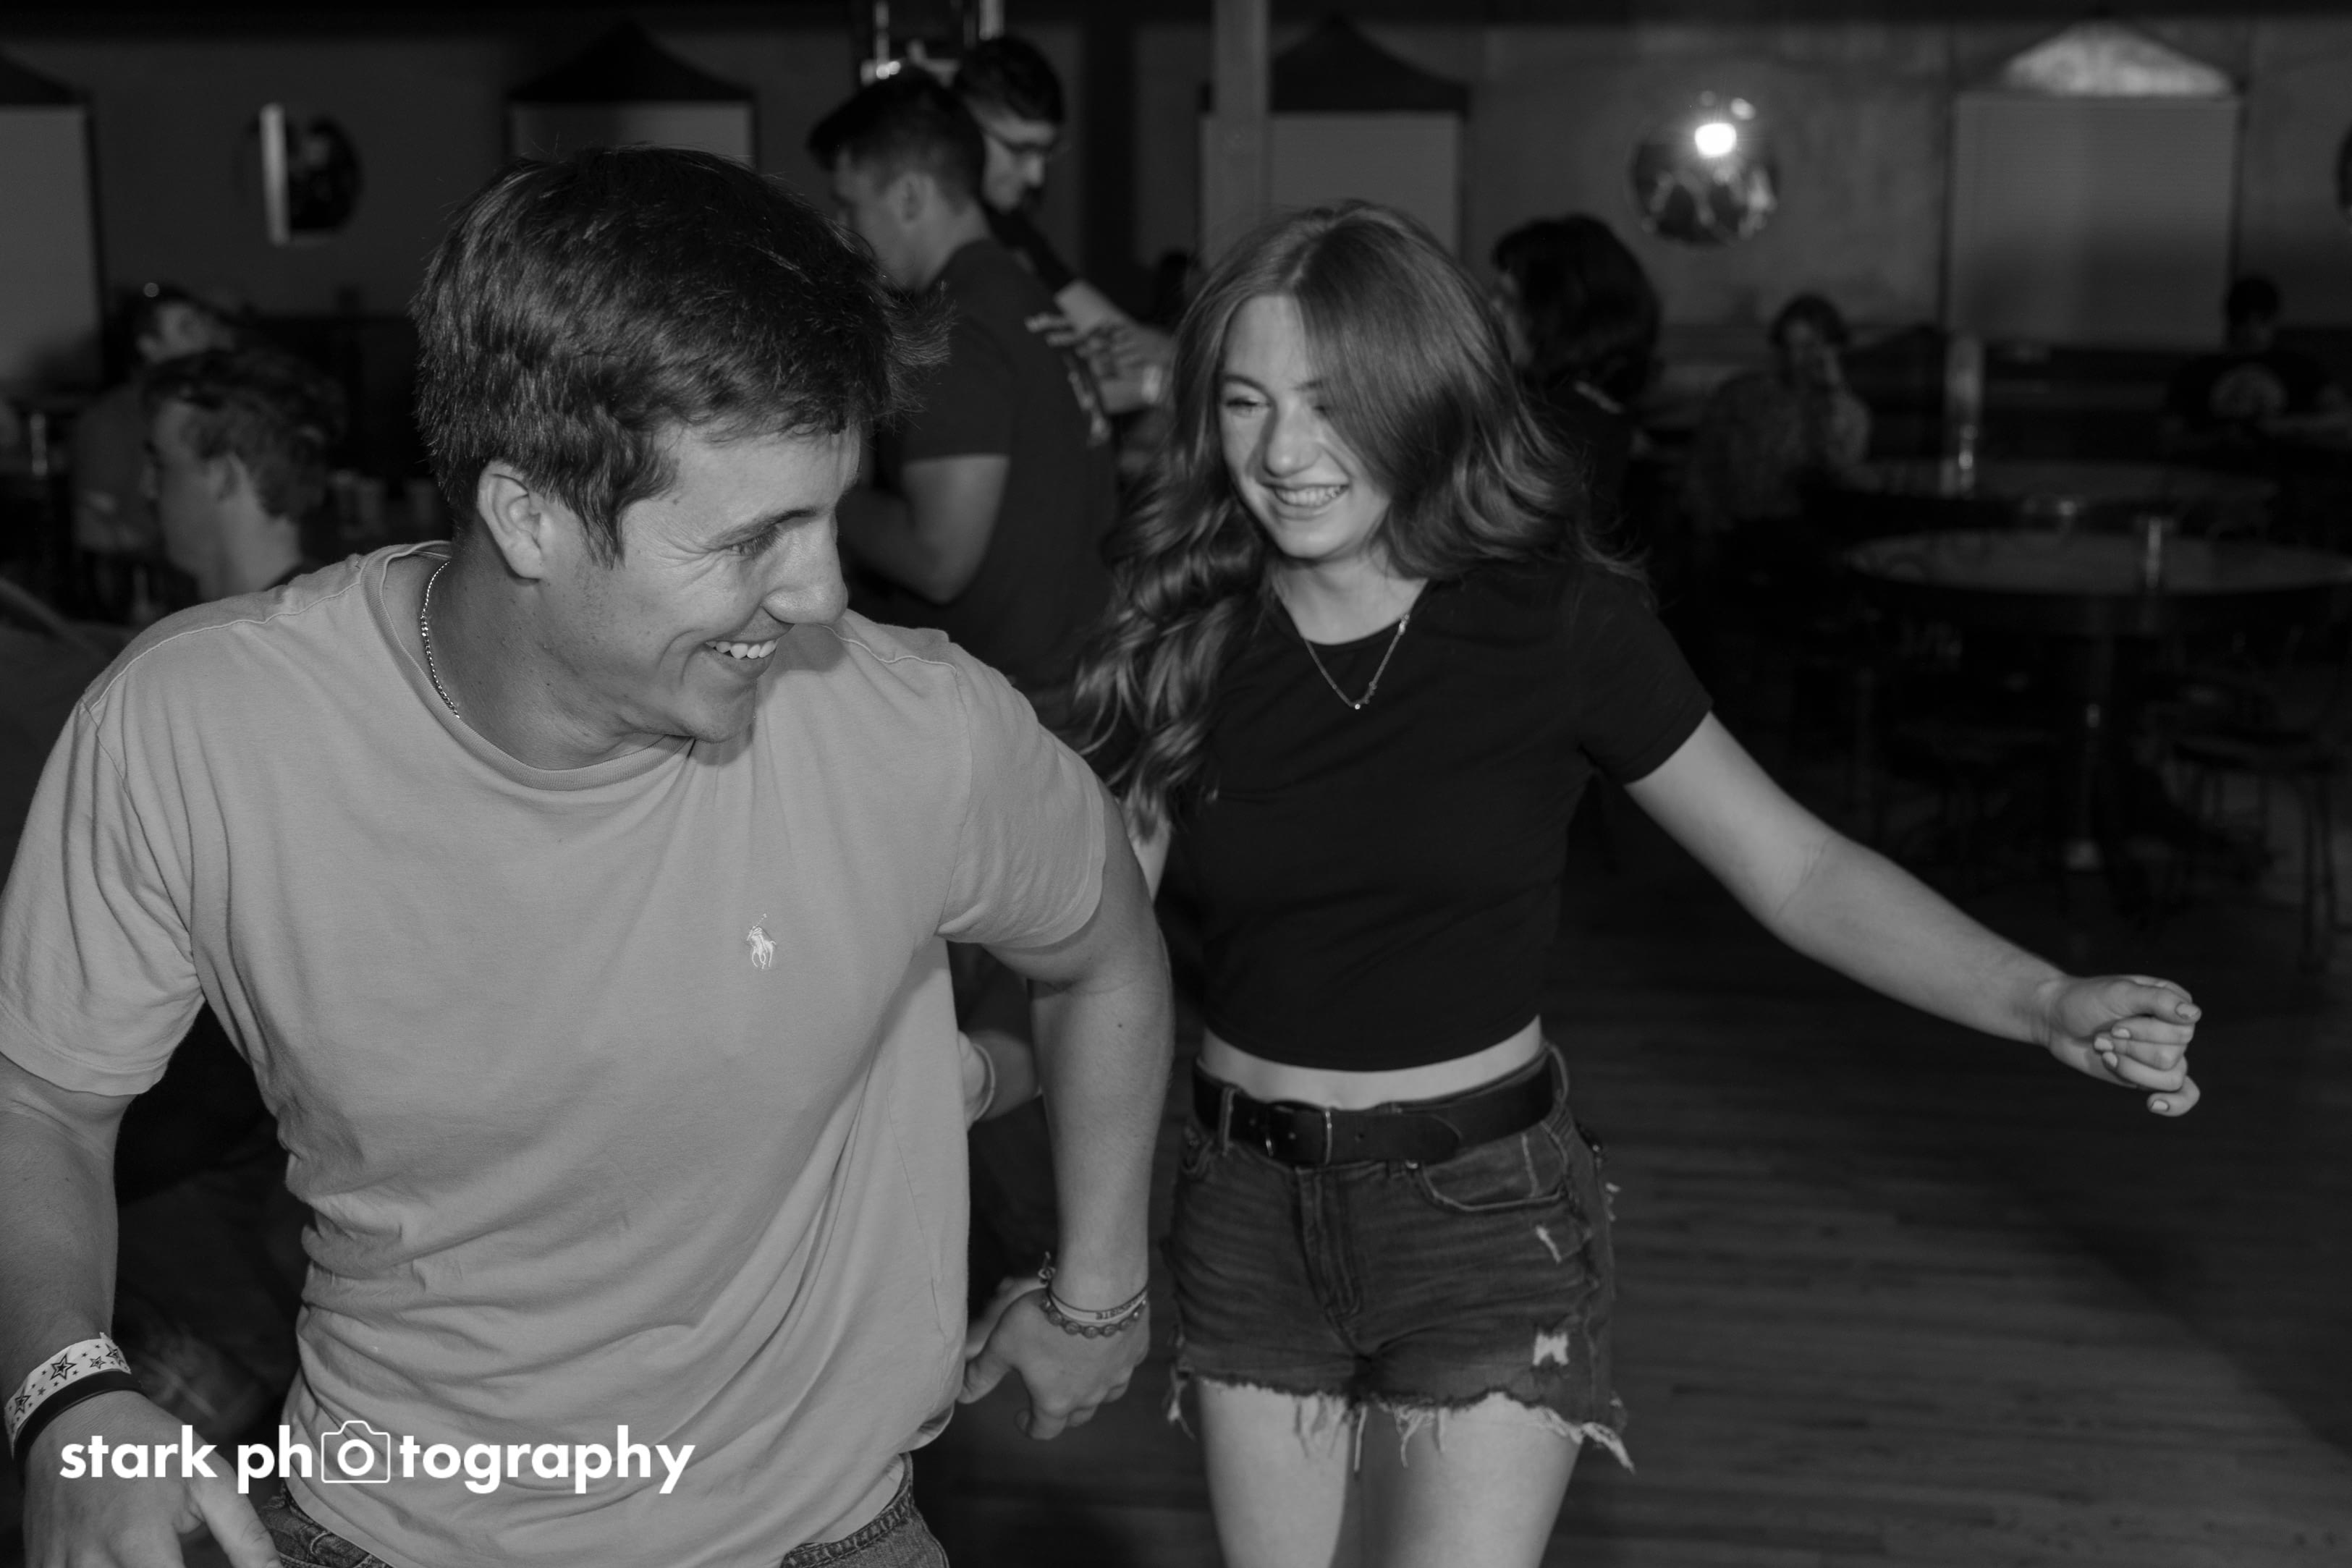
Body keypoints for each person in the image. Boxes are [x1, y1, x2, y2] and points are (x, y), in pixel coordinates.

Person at [1, 145, 1171, 1568]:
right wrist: (68, 1394)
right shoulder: (197, 729)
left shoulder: (911, 729)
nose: (819, 593)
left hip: (819, 1536)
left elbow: (1105, 948)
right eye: (755, 538)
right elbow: (40, 1099)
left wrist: (1100, 1293)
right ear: (529, 515)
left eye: (828, 513)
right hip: (384, 1531)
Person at [1070, 202, 2199, 1568]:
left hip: (1480, 1213)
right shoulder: (1179, 638)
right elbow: (1094, 956)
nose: (1283, 452)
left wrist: (2041, 998)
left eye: (1332, 400)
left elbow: (1797, 867)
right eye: (1245, 402)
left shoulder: (1556, 623)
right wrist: (1021, 1156)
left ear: (1426, 398)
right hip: (1244, 1207)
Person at [811, 71, 1117, 729]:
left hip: (1019, 701)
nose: (842, 229)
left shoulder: (956, 323)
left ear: (910, 195)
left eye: (850, 205)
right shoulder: (1021, 292)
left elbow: (938, 559)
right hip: (1070, 675)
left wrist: (824, 495)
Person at [954, 34, 1172, 412]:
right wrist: (1154, 386)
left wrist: (1167, 353)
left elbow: (1112, 332)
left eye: (1046, 152)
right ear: (962, 127)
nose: (1036, 175)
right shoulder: (939, 239)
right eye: (1020, 150)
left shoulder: (1010, 228)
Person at [68, 284, 240, 619]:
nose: (203, 336)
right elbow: (91, 528)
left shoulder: (230, 404)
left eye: (202, 323)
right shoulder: (114, 415)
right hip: (162, 597)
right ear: (149, 346)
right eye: (186, 328)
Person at [1490, 214, 1659, 530]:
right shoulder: (1595, 414)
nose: (1493, 311)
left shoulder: (1559, 426)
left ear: (1556, 313)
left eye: (1509, 300)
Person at [143, 348, 345, 601]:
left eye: (160, 465)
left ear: (224, 476)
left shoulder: (269, 625)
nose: (147, 488)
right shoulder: (326, 610)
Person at [1683, 292, 1871, 542]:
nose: (1795, 359)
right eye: (1788, 347)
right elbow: (1704, 460)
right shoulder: (1742, 394)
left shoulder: (1848, 411)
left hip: (1806, 533)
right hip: (1736, 529)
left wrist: (1832, 391)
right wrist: (1706, 520)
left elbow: (1843, 471)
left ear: (1832, 350)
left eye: (1807, 347)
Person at [2165, 274, 2352, 451]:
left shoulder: (2299, 366)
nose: (2251, 329)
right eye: (2243, 320)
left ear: (2274, 318)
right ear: (2231, 320)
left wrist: (2287, 427)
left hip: (2282, 462)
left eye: (2261, 320)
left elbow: (2342, 415)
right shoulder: (2199, 370)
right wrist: (2215, 439)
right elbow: (2168, 431)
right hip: (2211, 465)